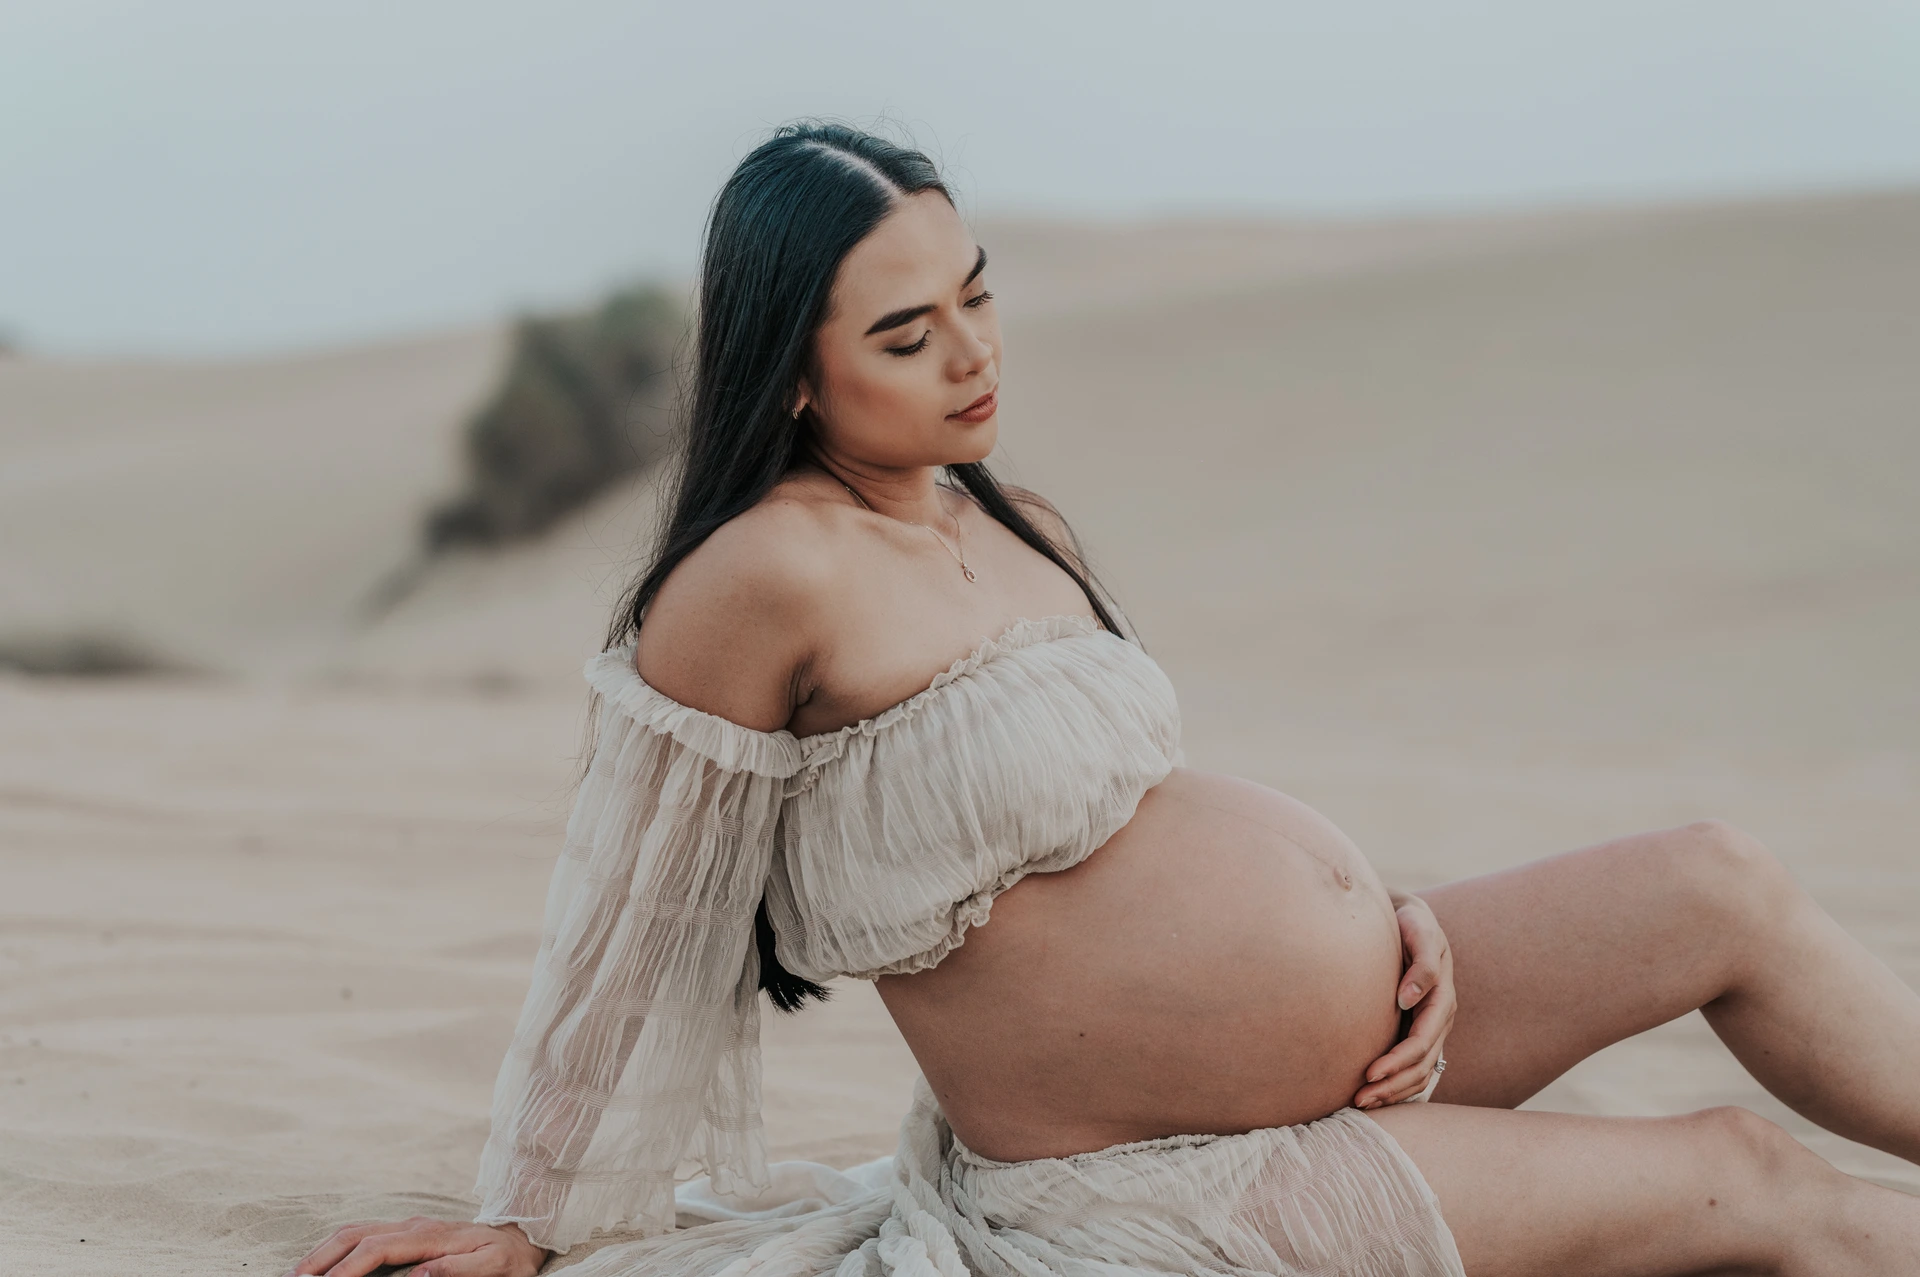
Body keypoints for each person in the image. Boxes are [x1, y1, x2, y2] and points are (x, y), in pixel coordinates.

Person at [290, 123, 1920, 1277]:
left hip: (1363, 1035)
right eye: (908, 333)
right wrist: (520, 1209)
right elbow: (624, 913)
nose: (973, 355)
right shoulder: (766, 578)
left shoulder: (1012, 523)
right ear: (792, 371)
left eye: (979, 296)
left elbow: (1123, 842)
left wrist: (1387, 921)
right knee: (1745, 1177)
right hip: (1154, 1187)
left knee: (1717, 879)